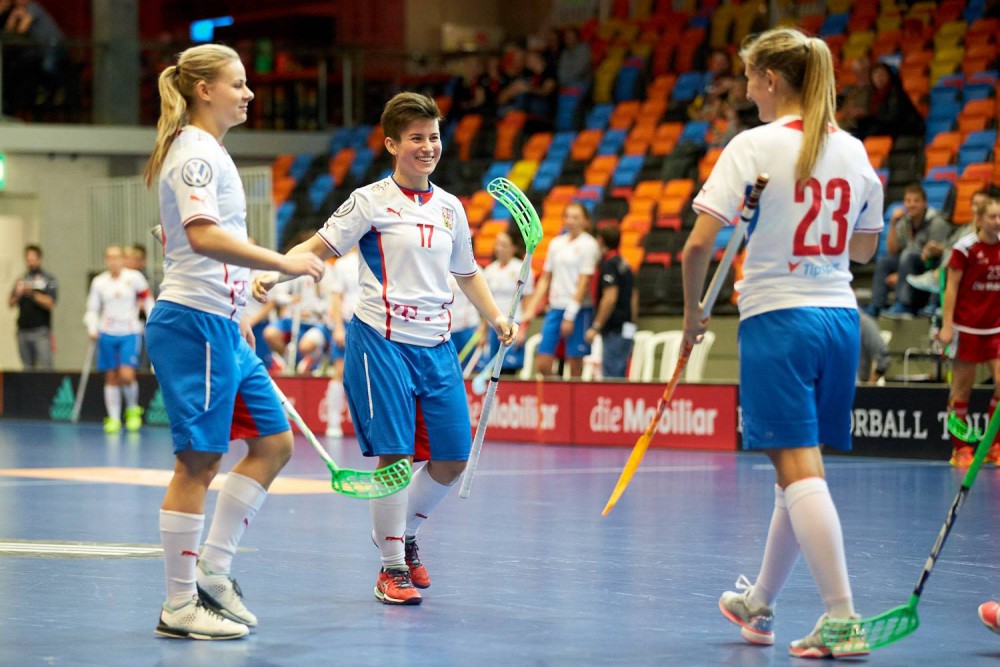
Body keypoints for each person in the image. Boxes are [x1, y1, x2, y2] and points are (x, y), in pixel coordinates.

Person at [254, 92, 515, 606]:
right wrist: (276, 271)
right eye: (416, 138)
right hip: (381, 342)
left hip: (437, 345)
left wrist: (496, 316)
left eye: (434, 137)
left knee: (452, 459)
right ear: (393, 144)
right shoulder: (369, 201)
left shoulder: (451, 208)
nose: (428, 147)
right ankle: (391, 566)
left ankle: (402, 533)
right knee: (396, 456)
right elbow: (318, 247)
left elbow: (467, 272)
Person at [681, 28, 883, 658]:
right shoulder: (853, 149)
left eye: (749, 78)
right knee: (798, 470)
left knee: (798, 470)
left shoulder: (752, 145)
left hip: (780, 319)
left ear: (770, 79)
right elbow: (865, 248)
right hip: (840, 320)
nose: (746, 91)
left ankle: (842, 618)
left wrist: (691, 314)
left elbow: (696, 246)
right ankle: (760, 602)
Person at [142, 43, 325, 640]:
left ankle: (213, 571)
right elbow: (200, 236)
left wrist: (238, 299)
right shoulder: (194, 153)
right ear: (205, 91)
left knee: (273, 442)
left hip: (222, 321)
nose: (248, 93)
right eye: (239, 83)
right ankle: (178, 605)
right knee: (199, 461)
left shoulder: (210, 151)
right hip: (192, 324)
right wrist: (283, 262)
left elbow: (181, 234)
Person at [938, 196, 1000, 468]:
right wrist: (947, 324)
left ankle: (993, 445)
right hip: (966, 328)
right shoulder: (964, 248)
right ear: (980, 219)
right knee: (961, 390)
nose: (997, 222)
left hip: (996, 328)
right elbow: (951, 287)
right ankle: (960, 448)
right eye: (992, 217)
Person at [522, 201, 599, 378]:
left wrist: (570, 315)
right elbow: (546, 279)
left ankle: (574, 396)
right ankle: (559, 392)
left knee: (575, 366)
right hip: (555, 308)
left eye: (576, 217)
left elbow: (584, 283)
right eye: (567, 217)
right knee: (542, 363)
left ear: (586, 221)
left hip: (579, 310)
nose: (570, 221)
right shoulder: (556, 243)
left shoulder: (589, 245)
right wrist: (531, 308)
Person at [84, 245, 155, 433]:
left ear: (123, 259)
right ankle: (114, 418)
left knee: (126, 375)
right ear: (106, 260)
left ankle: (132, 410)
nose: (113, 261)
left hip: (129, 332)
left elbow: (148, 300)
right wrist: (92, 327)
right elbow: (92, 309)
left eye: (117, 257)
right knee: (111, 376)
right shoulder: (99, 282)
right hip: (107, 332)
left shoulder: (134, 278)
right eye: (109, 257)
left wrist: (152, 322)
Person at [865, 183, 951, 319]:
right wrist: (893, 223)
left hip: (930, 264)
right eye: (908, 201)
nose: (911, 205)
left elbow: (940, 255)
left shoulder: (937, 222)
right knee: (884, 262)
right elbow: (892, 250)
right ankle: (876, 306)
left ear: (924, 203)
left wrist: (900, 275)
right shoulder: (905, 222)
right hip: (909, 263)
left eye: (916, 201)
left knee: (908, 255)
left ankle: (903, 304)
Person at [585, 226, 637, 379]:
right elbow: (634, 296)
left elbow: (610, 297)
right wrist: (632, 323)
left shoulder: (609, 265)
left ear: (600, 241)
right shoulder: (624, 263)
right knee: (621, 370)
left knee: (612, 375)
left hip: (614, 328)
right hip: (627, 325)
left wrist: (596, 326)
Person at [479, 229, 534, 375]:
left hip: (514, 325)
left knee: (509, 369)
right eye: (497, 244)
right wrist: (483, 332)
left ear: (513, 248)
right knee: (493, 369)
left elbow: (527, 302)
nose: (499, 248)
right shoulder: (489, 270)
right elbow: (486, 303)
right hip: (494, 325)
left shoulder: (522, 268)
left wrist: (523, 330)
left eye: (504, 245)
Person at [324, 246, 360, 438]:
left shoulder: (382, 257)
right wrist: (338, 327)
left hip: (375, 326)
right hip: (347, 323)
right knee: (340, 372)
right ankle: (333, 421)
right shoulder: (343, 264)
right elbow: (336, 297)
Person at [7, 244, 57, 370]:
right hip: (23, 330)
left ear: (39, 258)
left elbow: (50, 303)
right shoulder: (21, 279)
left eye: (33, 258)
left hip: (41, 330)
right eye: (28, 258)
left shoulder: (48, 279)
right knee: (27, 369)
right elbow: (10, 303)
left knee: (46, 367)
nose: (30, 261)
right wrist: (18, 293)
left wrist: (32, 293)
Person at [855, 62, 924, 140]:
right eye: (875, 75)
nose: (879, 78)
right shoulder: (872, 94)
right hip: (885, 127)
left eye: (882, 74)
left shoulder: (895, 92)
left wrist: (868, 116)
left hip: (905, 130)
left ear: (889, 76)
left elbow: (893, 117)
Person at [857, 307, 891, 384]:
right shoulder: (864, 322)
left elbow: (884, 359)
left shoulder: (863, 323)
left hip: (856, 386)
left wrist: (869, 385)